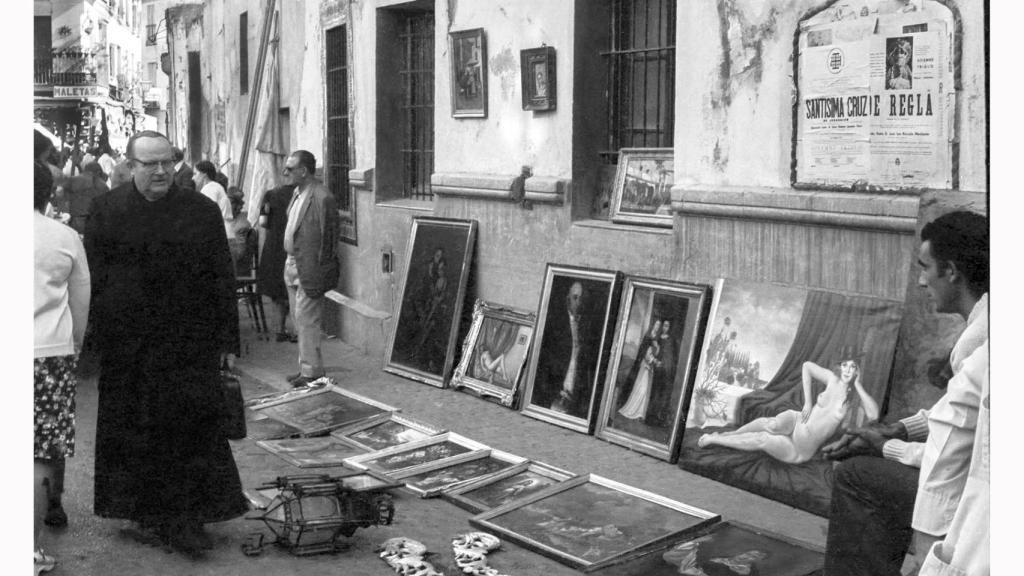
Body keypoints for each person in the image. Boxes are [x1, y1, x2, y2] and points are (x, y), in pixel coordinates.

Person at [85, 130, 247, 557]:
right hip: (128, 348)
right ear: (131, 166)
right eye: (150, 163)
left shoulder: (201, 211)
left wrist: (228, 337)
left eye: (167, 162)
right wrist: (96, 339)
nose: (160, 171)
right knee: (133, 430)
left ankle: (187, 518)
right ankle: (141, 511)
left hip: (187, 344)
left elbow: (220, 277)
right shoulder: (106, 210)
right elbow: (94, 280)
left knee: (189, 430)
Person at [821, 210, 988, 576]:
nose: (921, 282)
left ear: (951, 272)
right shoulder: (983, 325)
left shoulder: (981, 344)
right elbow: (953, 413)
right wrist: (894, 430)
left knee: (856, 475)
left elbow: (947, 454)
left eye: (925, 267)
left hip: (976, 503)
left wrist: (883, 446)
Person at [34, 160, 91, 574]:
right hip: (49, 354)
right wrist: (74, 348)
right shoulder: (64, 236)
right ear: (48, 192)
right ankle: (27, 548)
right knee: (40, 454)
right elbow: (80, 303)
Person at [697, 354, 879, 464]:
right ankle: (729, 435)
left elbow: (873, 414)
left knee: (762, 438)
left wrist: (859, 385)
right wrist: (808, 402)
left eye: (853, 367)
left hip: (800, 448)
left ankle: (716, 440)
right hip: (798, 419)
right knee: (772, 424)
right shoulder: (832, 379)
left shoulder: (853, 398)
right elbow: (807, 366)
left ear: (857, 372)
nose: (847, 369)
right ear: (840, 367)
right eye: (845, 365)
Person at [281, 150, 340, 387]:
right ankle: (306, 367)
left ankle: (312, 372)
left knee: (307, 321)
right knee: (299, 320)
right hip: (292, 263)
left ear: (303, 171)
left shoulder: (322, 196)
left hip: (310, 268)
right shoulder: (296, 193)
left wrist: (321, 270)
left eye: (290, 168)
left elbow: (330, 239)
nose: (285, 172)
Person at [258, 184, 296, 341]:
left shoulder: (270, 194)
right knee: (295, 292)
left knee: (277, 291)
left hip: (274, 245)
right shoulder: (303, 194)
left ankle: (279, 329)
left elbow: (262, 222)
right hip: (294, 245)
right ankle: (296, 331)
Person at [63, 162, 109, 235]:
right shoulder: (102, 185)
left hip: (74, 219)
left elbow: (61, 194)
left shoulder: (72, 180)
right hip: (93, 221)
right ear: (98, 172)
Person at [193, 159, 234, 238]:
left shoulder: (210, 188)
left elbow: (208, 215)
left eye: (195, 173)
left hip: (220, 233)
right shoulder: (214, 187)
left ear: (204, 175)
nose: (193, 178)